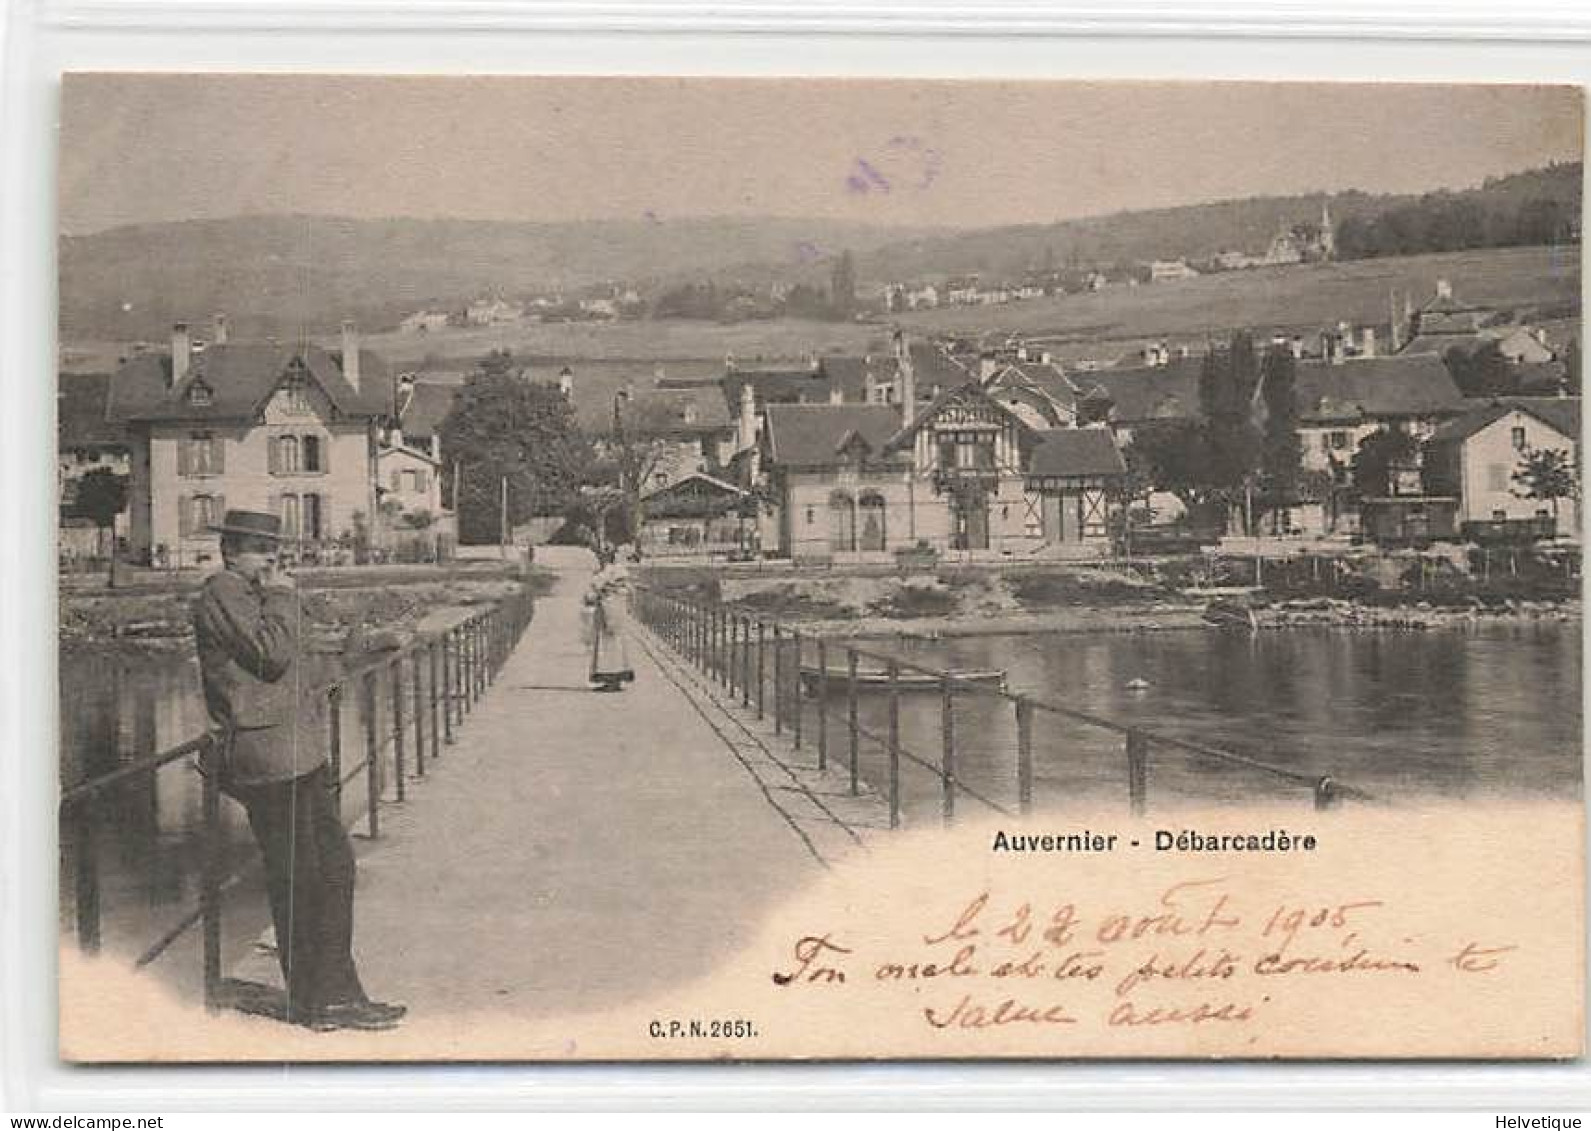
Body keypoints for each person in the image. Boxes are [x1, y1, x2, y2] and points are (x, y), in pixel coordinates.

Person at [192, 509, 406, 1033]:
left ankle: (339, 992)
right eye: (261, 549)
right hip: (267, 758)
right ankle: (315, 1001)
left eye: (275, 548)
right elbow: (271, 655)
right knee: (301, 877)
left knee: (333, 869)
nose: (273, 558)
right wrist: (284, 595)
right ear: (231, 551)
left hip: (296, 751)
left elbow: (294, 664)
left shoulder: (253, 592)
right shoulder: (223, 592)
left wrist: (353, 654)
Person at [584, 545, 635, 692]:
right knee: (614, 643)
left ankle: (611, 679)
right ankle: (615, 679)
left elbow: (597, 588)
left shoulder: (610, 571)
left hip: (610, 610)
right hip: (614, 609)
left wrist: (596, 594)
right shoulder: (616, 571)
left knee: (609, 644)